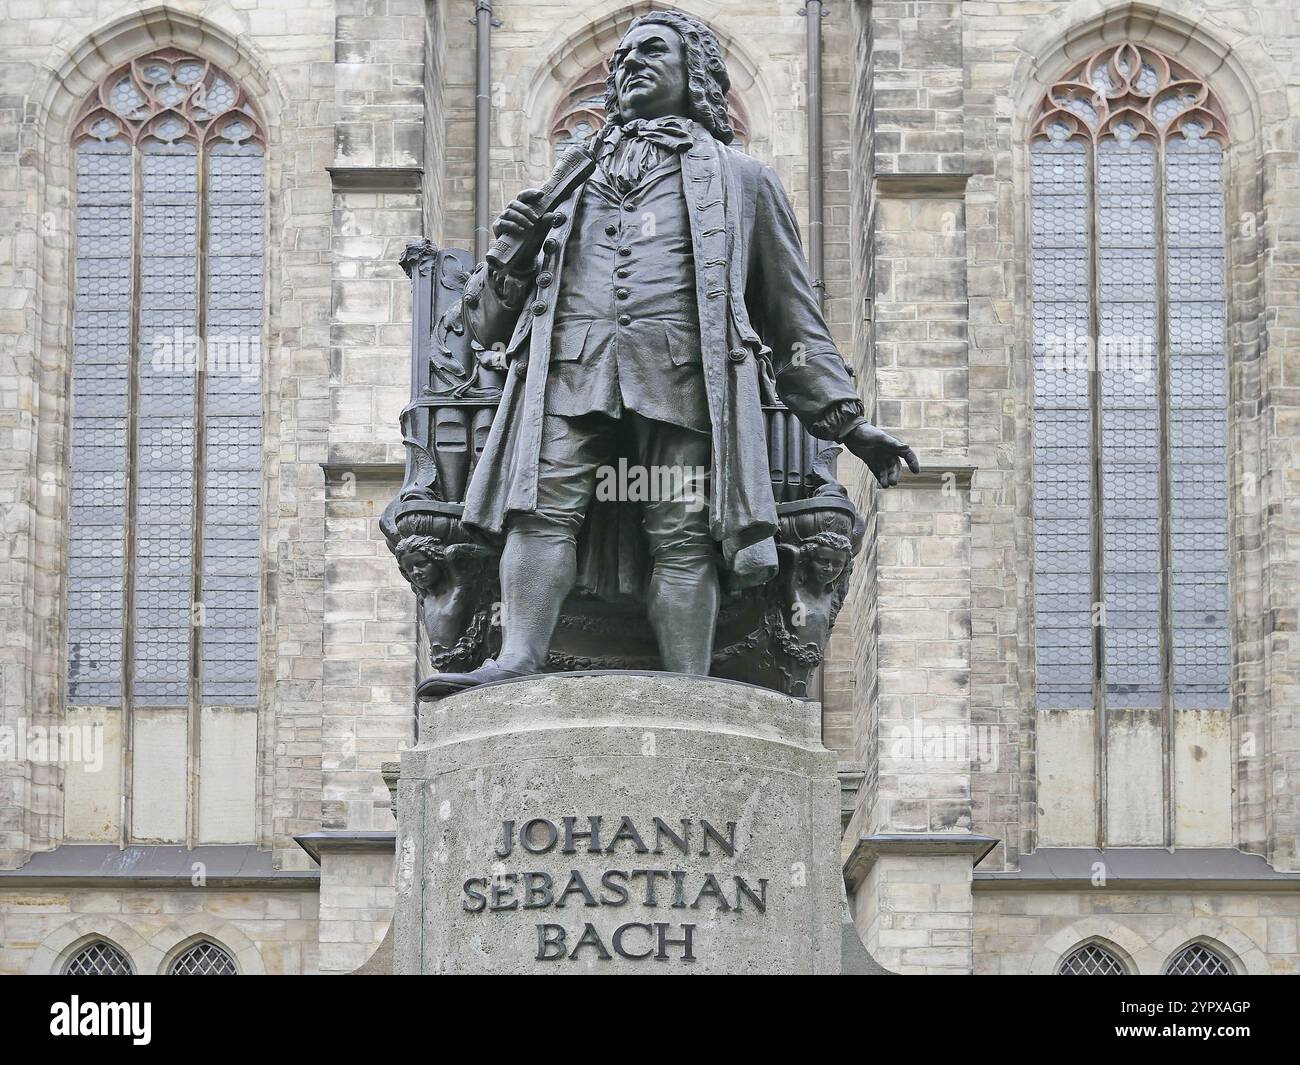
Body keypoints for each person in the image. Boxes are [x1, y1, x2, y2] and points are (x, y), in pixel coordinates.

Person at [420, 9, 917, 697]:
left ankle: (689, 685)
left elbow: (789, 313)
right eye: (620, 57)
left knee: (682, 527)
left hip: (685, 373)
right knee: (539, 508)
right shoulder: (567, 181)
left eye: (652, 50)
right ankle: (518, 658)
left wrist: (849, 425)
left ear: (697, 74)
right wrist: (516, 252)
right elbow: (483, 325)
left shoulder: (745, 181)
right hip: (568, 370)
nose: (630, 63)